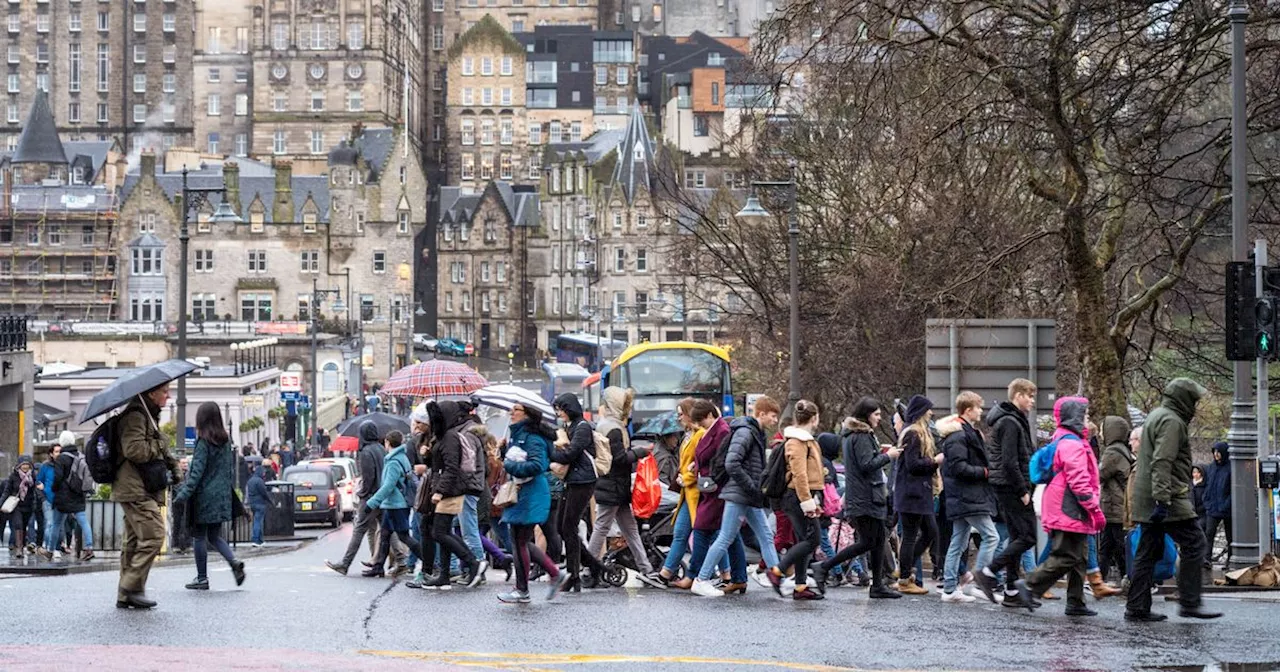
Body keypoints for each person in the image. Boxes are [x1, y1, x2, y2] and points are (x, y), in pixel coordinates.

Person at [1126, 378, 1220, 621]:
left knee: (1148, 551)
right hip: (1167, 497)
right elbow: (1162, 461)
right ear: (1184, 399)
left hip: (1149, 495)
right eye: (1194, 400)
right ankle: (1189, 602)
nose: (1196, 405)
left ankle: (1137, 607)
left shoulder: (1157, 415)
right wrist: (1162, 500)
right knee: (1195, 542)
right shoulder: (1172, 421)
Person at [1010, 396, 1104, 616]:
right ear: (1075, 417)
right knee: (1066, 555)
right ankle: (1031, 585)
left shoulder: (1068, 439)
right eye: (1085, 414)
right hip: (1069, 506)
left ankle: (1076, 601)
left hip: (1068, 504)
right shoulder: (1072, 443)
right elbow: (1079, 480)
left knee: (1078, 555)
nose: (1087, 418)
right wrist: (1094, 509)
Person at [691, 395, 783, 597]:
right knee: (725, 537)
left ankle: (777, 578)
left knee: (766, 536)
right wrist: (751, 487)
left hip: (746, 495)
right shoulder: (746, 432)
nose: (775, 421)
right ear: (761, 414)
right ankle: (701, 579)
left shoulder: (753, 432)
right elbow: (732, 463)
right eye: (773, 416)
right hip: (740, 494)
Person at [814, 398, 902, 599]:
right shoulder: (861, 435)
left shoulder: (854, 435)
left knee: (878, 540)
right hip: (865, 497)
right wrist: (889, 456)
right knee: (868, 542)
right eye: (877, 414)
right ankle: (825, 566)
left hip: (866, 495)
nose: (879, 418)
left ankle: (878, 585)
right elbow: (866, 465)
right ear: (867, 415)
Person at [586, 387, 661, 585]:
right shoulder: (615, 429)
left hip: (610, 485)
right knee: (604, 527)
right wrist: (640, 452)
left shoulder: (604, 425)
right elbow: (619, 458)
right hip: (614, 486)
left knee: (628, 529)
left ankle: (645, 568)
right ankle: (589, 567)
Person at [114, 383, 180, 610]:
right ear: (151, 393)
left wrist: (173, 466)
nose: (168, 395)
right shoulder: (135, 417)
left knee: (133, 541)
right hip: (135, 488)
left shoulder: (147, 415)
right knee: (155, 535)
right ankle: (129, 586)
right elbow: (134, 450)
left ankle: (127, 596)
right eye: (165, 391)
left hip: (138, 486)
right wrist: (158, 444)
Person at [974, 379, 1038, 606]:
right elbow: (1010, 461)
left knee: (1017, 536)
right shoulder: (1010, 422)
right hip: (1012, 487)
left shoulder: (1012, 420)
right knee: (1028, 536)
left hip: (1006, 485)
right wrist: (1022, 490)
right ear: (1017, 395)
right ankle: (989, 572)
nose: (1032, 401)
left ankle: (1011, 590)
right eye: (1029, 396)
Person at [498, 403, 567, 603]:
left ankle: (523, 590)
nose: (511, 413)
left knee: (520, 541)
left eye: (516, 410)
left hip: (531, 494)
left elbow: (538, 465)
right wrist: (504, 452)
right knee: (520, 540)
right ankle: (553, 573)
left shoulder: (532, 437)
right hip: (524, 493)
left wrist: (509, 464)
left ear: (527, 414)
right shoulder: (520, 435)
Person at [173, 402, 246, 590]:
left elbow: (196, 473)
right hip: (221, 497)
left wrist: (182, 494)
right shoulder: (226, 441)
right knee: (214, 536)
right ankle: (234, 561)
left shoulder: (203, 442)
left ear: (201, 419)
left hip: (204, 497)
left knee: (199, 536)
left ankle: (202, 577)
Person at [938, 392, 1000, 604]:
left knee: (958, 542)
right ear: (968, 410)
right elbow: (957, 467)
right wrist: (984, 472)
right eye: (978, 407)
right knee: (991, 537)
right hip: (968, 496)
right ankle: (978, 582)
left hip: (962, 497)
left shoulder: (961, 433)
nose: (981, 411)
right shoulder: (958, 436)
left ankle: (949, 589)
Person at [423, 400, 487, 588]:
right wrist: (428, 455)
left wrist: (440, 491)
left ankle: (474, 563)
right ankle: (444, 575)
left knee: (440, 532)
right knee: (443, 533)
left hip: (450, 491)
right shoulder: (444, 436)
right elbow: (440, 465)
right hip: (445, 490)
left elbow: (452, 467)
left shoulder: (450, 437)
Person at [766, 399, 826, 600]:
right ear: (815, 418)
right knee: (812, 539)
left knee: (803, 540)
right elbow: (799, 475)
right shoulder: (797, 442)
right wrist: (807, 502)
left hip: (802, 496)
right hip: (798, 497)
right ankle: (777, 571)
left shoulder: (805, 440)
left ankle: (800, 586)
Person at [647, 398, 707, 590]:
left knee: (709, 536)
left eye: (681, 414)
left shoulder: (699, 435)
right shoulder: (688, 435)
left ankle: (722, 573)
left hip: (695, 493)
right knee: (681, 534)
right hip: (685, 493)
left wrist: (687, 477)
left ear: (690, 414)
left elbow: (700, 464)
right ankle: (666, 574)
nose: (679, 418)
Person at [685, 400, 742, 590]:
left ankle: (696, 575)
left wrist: (702, 468)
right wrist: (697, 464)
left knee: (702, 529)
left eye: (701, 421)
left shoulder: (722, 432)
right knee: (729, 535)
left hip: (716, 488)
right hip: (711, 487)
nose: (700, 425)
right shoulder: (715, 430)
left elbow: (721, 460)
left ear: (710, 415)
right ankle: (738, 576)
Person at [326, 421, 397, 575]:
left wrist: (362, 493)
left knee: (359, 530)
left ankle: (345, 563)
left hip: (371, 497)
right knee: (388, 530)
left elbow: (368, 477)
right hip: (383, 496)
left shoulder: (365, 452)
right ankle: (401, 559)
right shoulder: (380, 448)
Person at [549, 393, 603, 591]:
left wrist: (551, 454)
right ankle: (593, 566)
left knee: (568, 526)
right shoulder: (568, 427)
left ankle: (574, 575)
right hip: (572, 480)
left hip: (584, 480)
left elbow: (571, 454)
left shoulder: (582, 427)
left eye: (561, 409)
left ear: (569, 408)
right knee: (562, 526)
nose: (559, 413)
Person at [363, 430, 429, 579]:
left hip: (396, 504)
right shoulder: (402, 457)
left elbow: (388, 486)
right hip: (395, 504)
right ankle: (378, 567)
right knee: (385, 534)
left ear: (387, 442)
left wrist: (372, 503)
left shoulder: (393, 462)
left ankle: (429, 563)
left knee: (404, 536)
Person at [892, 395, 940, 596]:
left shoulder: (919, 432)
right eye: (928, 409)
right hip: (912, 492)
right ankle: (904, 577)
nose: (931, 413)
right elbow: (912, 465)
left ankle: (904, 568)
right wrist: (935, 462)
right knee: (912, 535)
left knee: (930, 532)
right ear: (921, 412)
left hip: (917, 492)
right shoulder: (913, 434)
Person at [1098, 417, 1136, 585]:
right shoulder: (1123, 450)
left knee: (1117, 547)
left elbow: (1099, 475)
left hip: (1114, 507)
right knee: (1110, 546)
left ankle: (1130, 579)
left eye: (1102, 430)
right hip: (1119, 507)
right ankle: (1100, 580)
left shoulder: (1112, 452)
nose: (1100, 434)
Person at [51, 430, 96, 562]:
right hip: (78, 495)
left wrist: (54, 489)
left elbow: (58, 478)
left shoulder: (61, 458)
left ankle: (50, 550)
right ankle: (89, 547)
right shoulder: (80, 456)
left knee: (56, 523)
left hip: (63, 497)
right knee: (83, 522)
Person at [1201, 441, 1232, 568]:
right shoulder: (1211, 467)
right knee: (1209, 533)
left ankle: (1230, 559)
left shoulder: (1231, 468)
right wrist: (1206, 499)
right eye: (1214, 452)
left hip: (1226, 507)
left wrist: (1226, 504)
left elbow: (1232, 489)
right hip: (1213, 506)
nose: (1216, 454)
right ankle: (1206, 559)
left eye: (1218, 452)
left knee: (1230, 536)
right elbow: (1207, 484)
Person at [1, 456, 38, 559]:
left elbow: (37, 490)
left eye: (27, 465)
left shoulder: (34, 476)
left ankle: (22, 545)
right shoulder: (13, 476)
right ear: (19, 466)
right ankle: (19, 548)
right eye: (23, 465)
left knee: (24, 526)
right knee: (18, 524)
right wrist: (1, 503)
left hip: (29, 505)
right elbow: (7, 491)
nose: (25, 467)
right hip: (16, 504)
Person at [35, 442, 61, 559]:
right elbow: (38, 481)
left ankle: (54, 547)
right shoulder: (45, 466)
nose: (58, 454)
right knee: (50, 524)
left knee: (57, 526)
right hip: (47, 499)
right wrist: (43, 496)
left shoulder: (63, 465)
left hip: (60, 500)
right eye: (56, 451)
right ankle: (50, 547)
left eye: (60, 451)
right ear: (51, 453)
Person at [246, 465, 270, 547]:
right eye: (263, 472)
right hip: (260, 503)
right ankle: (256, 540)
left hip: (252, 503)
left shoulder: (250, 481)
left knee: (257, 520)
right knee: (258, 522)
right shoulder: (259, 481)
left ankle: (260, 540)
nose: (264, 474)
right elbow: (264, 493)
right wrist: (270, 501)